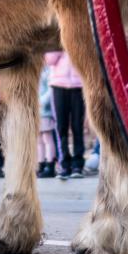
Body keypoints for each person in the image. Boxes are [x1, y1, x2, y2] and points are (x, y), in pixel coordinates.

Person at [45, 51, 86, 179]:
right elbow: (49, 60)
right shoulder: (54, 35)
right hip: (58, 85)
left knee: (77, 126)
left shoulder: (79, 34)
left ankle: (77, 165)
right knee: (61, 126)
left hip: (78, 86)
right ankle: (64, 164)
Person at [36, 66, 57, 178]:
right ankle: (41, 164)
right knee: (39, 139)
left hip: (45, 110)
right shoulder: (35, 69)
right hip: (36, 110)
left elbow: (50, 89)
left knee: (47, 138)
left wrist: (41, 101)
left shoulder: (47, 70)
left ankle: (50, 165)